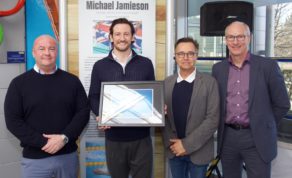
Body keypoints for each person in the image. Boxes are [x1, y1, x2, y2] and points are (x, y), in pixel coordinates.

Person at [212, 21, 291, 178]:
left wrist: (263, 123)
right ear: (225, 40)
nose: (235, 41)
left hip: (257, 139)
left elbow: (282, 104)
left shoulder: (268, 66)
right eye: (231, 37)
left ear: (249, 38)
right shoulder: (218, 69)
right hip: (227, 137)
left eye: (240, 36)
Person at [4, 34, 90, 178]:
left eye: (51, 48)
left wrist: (64, 138)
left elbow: (83, 112)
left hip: (67, 158)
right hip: (34, 161)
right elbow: (13, 121)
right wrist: (46, 143)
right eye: (41, 48)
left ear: (56, 52)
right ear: (33, 52)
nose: (47, 53)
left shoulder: (72, 81)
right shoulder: (18, 84)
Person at [88, 18, 155, 178]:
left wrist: (157, 106)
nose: (122, 38)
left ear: (133, 37)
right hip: (114, 139)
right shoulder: (100, 66)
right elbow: (93, 97)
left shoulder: (146, 64)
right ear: (111, 37)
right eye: (117, 34)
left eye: (126, 34)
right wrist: (101, 115)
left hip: (142, 139)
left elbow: (152, 95)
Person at [162, 37, 220, 178]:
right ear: (175, 57)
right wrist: (174, 145)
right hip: (174, 150)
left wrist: (186, 145)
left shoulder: (209, 83)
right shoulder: (166, 83)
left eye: (190, 53)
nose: (186, 57)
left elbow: (212, 119)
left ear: (196, 56)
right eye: (181, 54)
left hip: (199, 151)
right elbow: (163, 118)